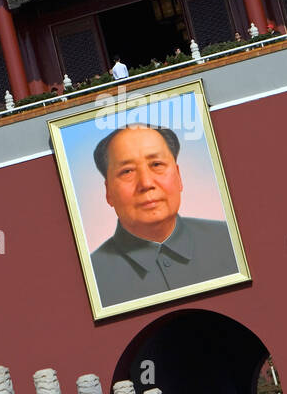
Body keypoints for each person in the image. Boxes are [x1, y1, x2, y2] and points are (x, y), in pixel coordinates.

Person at [87, 124, 238, 307]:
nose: (146, 183)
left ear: (179, 176)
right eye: (127, 171)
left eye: (156, 164)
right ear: (108, 192)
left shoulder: (231, 240)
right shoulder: (92, 278)